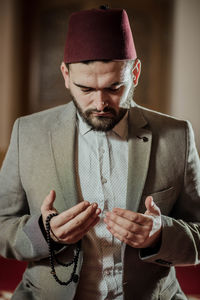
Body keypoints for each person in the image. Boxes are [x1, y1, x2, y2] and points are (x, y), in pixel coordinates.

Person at [0, 6, 200, 300]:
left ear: (135, 72)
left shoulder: (177, 135)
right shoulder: (27, 133)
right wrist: (45, 234)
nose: (100, 103)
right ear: (66, 75)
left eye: (114, 87)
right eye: (85, 89)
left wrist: (160, 235)